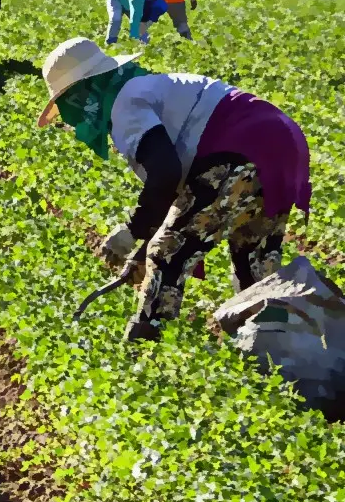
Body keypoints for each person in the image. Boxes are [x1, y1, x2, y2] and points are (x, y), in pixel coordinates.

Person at [38, 36, 311, 344]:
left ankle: (145, 349)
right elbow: (181, 196)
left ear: (80, 95)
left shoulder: (125, 104)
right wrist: (140, 255)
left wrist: (133, 230)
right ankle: (278, 350)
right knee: (254, 257)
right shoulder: (146, 88)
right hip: (281, 141)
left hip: (240, 147)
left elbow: (166, 173)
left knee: (167, 253)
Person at [105, 0, 170, 45]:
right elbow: (134, 22)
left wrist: (143, 33)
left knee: (141, 27)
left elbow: (146, 23)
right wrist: (134, 40)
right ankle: (110, 43)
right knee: (116, 19)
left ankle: (145, 46)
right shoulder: (138, 0)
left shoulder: (159, 6)